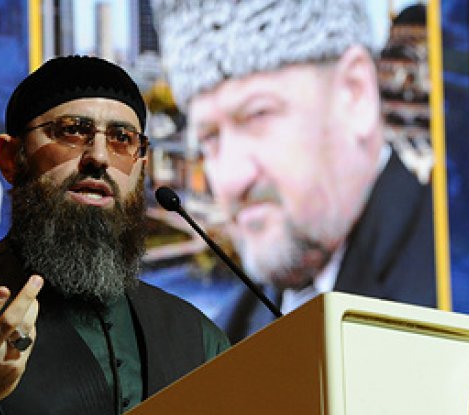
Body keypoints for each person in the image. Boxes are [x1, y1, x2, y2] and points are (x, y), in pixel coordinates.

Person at [0, 55, 230, 415]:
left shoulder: (198, 339)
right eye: (73, 131)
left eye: (122, 138)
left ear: (140, 166)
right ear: (10, 158)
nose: (99, 157)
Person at [151, 0, 436, 342]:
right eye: (209, 138)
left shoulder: (465, 287)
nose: (230, 178)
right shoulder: (230, 337)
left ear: (355, 92)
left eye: (258, 115)